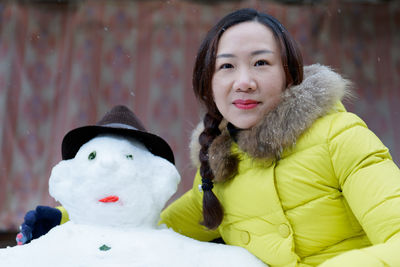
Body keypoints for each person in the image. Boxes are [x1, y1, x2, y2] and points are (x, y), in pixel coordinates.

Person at [17, 8, 400, 267]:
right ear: (208, 84)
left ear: (290, 74)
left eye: (261, 63)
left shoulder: (341, 136)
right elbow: (148, 221)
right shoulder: (221, 168)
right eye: (227, 66)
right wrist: (65, 218)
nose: (244, 81)